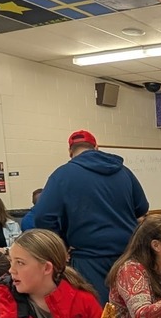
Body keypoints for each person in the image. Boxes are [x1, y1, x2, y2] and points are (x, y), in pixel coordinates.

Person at [33, 130, 150, 304]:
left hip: (89, 259)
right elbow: (142, 208)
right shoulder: (124, 172)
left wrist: (63, 244)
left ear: (70, 151)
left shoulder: (62, 175)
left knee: (99, 314)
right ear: (96, 147)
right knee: (134, 306)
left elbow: (42, 217)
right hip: (128, 254)